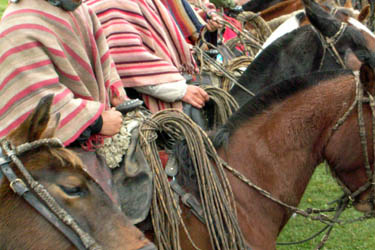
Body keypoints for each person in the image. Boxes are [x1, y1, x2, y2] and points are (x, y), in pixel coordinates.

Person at [0, 0, 127, 148]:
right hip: (52, 154)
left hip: (99, 131)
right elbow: (36, 104)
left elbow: (104, 63)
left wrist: (115, 94)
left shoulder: (80, 10)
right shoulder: (18, 26)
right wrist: (97, 123)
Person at [84, 0, 210, 113]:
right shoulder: (112, 3)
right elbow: (126, 60)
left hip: (154, 84)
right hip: (130, 99)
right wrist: (179, 91)